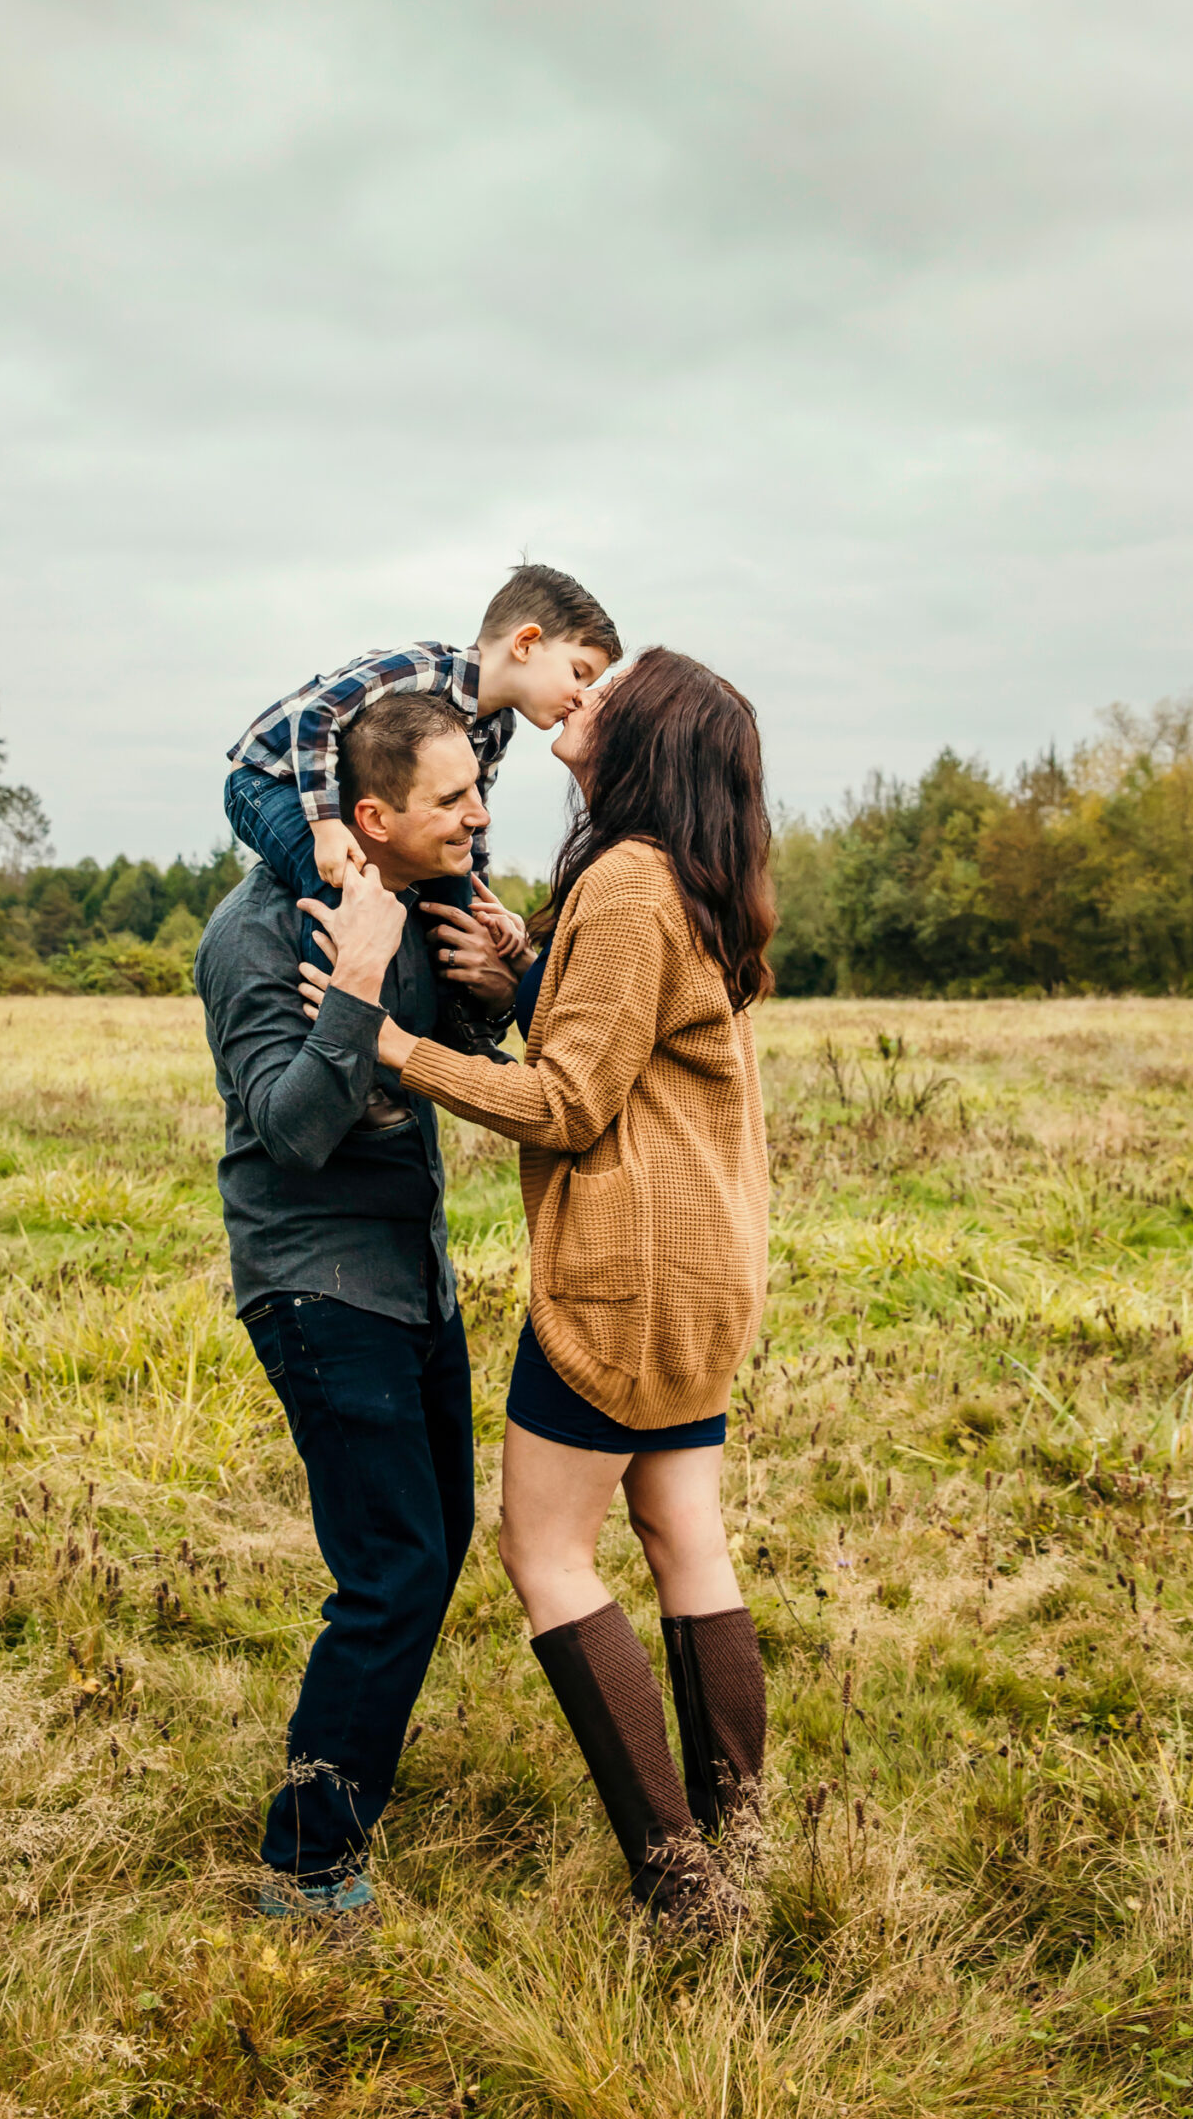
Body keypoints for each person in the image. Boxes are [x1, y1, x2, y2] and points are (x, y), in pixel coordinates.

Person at [302, 650, 774, 1931]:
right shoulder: (685, 878)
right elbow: (623, 1036)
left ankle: (679, 1886)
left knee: (545, 1550)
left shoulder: (625, 881)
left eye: (614, 698)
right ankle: (745, 1847)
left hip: (624, 1274)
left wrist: (394, 1044)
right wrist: (525, 977)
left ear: (646, 745)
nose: (587, 700)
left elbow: (570, 1100)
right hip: (706, 1263)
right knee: (685, 1534)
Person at [194, 691, 523, 1927]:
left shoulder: (428, 903)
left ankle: (345, 1789)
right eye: (454, 799)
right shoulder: (255, 932)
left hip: (413, 1278)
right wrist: (362, 985)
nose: (480, 816)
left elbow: (454, 1052)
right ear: (371, 816)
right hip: (317, 1282)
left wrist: (487, 986)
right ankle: (305, 1865)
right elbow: (287, 1132)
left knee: (429, 1552)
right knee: (390, 1571)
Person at [222, 562, 620, 1051]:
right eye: (578, 672)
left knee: (452, 905)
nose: (581, 696)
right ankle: (333, 1039)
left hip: (358, 804)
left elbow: (472, 820)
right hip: (271, 782)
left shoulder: (497, 727)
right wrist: (326, 826)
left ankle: (463, 1029)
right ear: (525, 643)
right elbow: (317, 714)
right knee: (335, 882)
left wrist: (476, 901)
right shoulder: (423, 669)